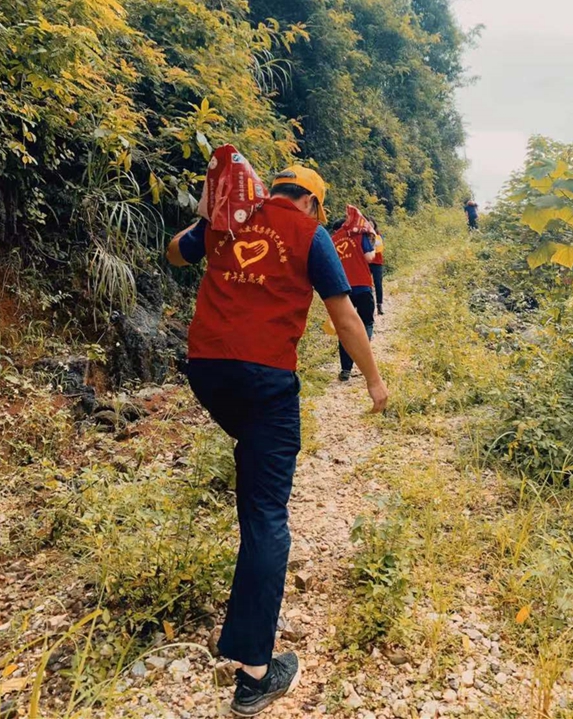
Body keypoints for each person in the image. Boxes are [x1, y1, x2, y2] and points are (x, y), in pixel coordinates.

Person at [166, 166, 388, 717]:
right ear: (311, 202)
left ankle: (252, 601)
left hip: (207, 371)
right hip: (264, 377)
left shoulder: (231, 215)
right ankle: (255, 674)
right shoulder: (310, 234)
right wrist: (374, 380)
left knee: (255, 459)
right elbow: (345, 317)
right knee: (266, 513)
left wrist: (205, 215)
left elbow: (175, 255)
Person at [330, 215, 376, 382]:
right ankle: (363, 350)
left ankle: (345, 370)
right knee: (367, 322)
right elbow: (369, 257)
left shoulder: (333, 240)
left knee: (345, 327)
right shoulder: (359, 235)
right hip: (362, 285)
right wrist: (372, 246)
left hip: (343, 289)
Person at [367, 217, 385, 315]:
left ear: (374, 224)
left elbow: (380, 248)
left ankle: (379, 305)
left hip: (377, 262)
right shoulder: (363, 236)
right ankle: (369, 306)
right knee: (367, 284)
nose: (370, 225)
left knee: (378, 283)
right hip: (367, 262)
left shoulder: (378, 235)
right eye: (368, 224)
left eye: (371, 223)